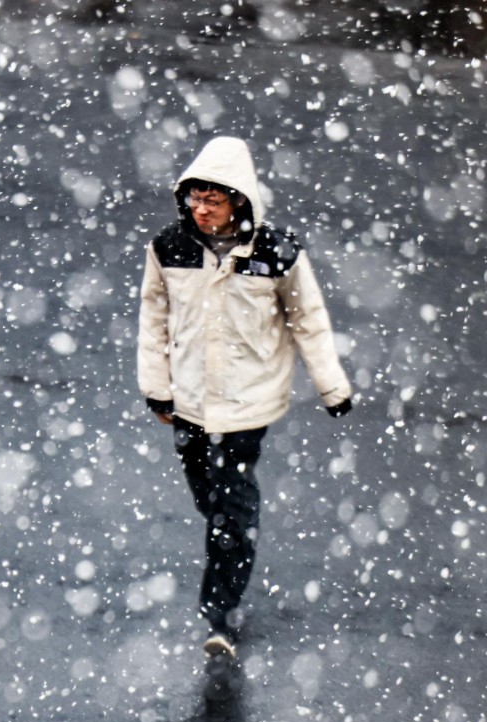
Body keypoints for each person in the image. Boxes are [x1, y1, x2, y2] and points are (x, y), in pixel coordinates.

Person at [136, 135, 353, 659]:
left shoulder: (277, 254)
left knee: (232, 506)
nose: (202, 210)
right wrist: (156, 389)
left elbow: (309, 319)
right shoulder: (170, 248)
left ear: (239, 200)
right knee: (207, 496)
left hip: (248, 401)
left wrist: (332, 386)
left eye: (214, 199)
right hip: (188, 399)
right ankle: (231, 531)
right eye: (195, 199)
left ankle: (222, 615)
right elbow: (154, 318)